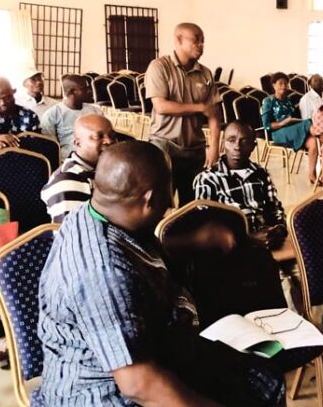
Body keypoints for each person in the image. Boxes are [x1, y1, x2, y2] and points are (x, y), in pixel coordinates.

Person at [37, 141, 287, 406]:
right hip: (104, 394)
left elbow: (133, 256)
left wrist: (193, 241)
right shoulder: (103, 273)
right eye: (168, 193)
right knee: (254, 391)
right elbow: (140, 385)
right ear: (149, 199)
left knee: (263, 376)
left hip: (154, 351)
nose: (170, 203)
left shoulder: (94, 213)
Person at [146, 22, 222, 206]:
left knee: (193, 204)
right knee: (161, 203)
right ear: (178, 39)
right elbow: (161, 106)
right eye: (196, 40)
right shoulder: (159, 67)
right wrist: (200, 107)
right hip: (165, 144)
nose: (201, 45)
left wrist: (214, 147)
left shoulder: (205, 73)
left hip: (194, 148)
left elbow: (214, 114)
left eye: (203, 41)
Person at [194, 121, 287, 248]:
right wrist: (249, 238)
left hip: (266, 240)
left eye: (244, 141)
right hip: (232, 246)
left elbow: (275, 208)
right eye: (231, 140)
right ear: (223, 143)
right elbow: (207, 224)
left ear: (253, 146)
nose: (237, 147)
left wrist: (279, 229)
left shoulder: (261, 173)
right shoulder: (207, 179)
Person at [40, 114, 116, 223]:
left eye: (112, 136)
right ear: (78, 143)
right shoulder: (68, 180)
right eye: (98, 137)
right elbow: (73, 235)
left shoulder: (104, 168)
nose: (109, 141)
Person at [261, 72, 318, 183]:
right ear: (274, 85)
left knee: (313, 142)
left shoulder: (288, 101)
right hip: (277, 133)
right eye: (280, 83)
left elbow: (294, 118)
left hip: (292, 130)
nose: (284, 86)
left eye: (286, 84)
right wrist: (282, 123)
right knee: (308, 122)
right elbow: (266, 125)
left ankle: (312, 174)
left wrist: (291, 121)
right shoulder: (268, 101)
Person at [41, 74, 101, 159]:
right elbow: (50, 145)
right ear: (72, 91)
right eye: (85, 89)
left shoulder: (96, 111)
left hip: (98, 156)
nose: (90, 91)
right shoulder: (52, 114)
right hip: (69, 161)